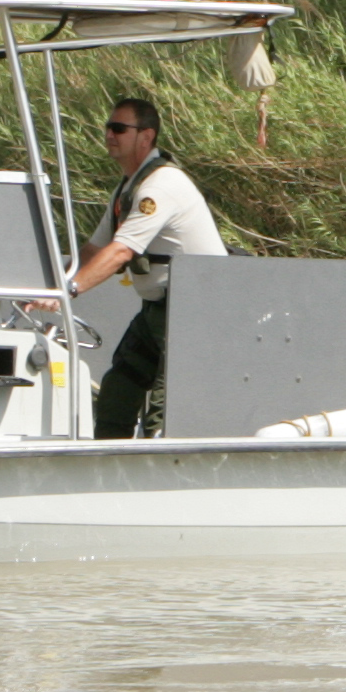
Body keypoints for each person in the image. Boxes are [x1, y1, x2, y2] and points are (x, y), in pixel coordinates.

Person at [65, 95, 222, 437]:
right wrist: (50, 283)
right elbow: (94, 249)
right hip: (157, 310)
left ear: (146, 136)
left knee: (165, 414)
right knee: (117, 391)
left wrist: (71, 290)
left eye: (119, 128)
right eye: (108, 127)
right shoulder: (129, 187)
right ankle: (106, 467)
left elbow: (121, 252)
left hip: (193, 313)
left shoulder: (160, 186)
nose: (110, 134)